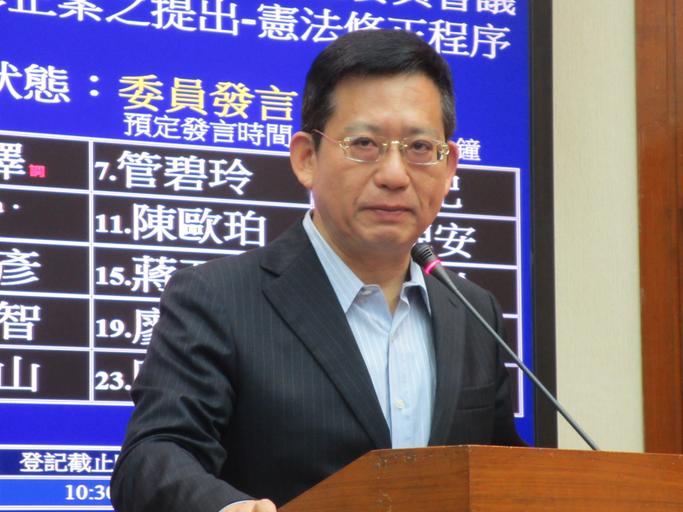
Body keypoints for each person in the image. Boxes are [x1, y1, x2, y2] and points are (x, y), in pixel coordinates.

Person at [110, 29, 524, 512]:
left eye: (418, 147)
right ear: (306, 158)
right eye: (364, 143)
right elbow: (154, 456)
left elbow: (501, 469)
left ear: (449, 165)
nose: (394, 175)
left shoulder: (473, 311)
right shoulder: (217, 297)